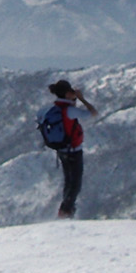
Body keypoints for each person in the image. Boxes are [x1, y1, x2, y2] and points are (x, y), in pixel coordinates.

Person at [45, 79, 96, 218]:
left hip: (62, 150)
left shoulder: (57, 109)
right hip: (74, 151)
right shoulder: (70, 111)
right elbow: (93, 113)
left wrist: (74, 100)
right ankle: (66, 211)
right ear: (67, 93)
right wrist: (82, 99)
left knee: (69, 181)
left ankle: (67, 209)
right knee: (75, 183)